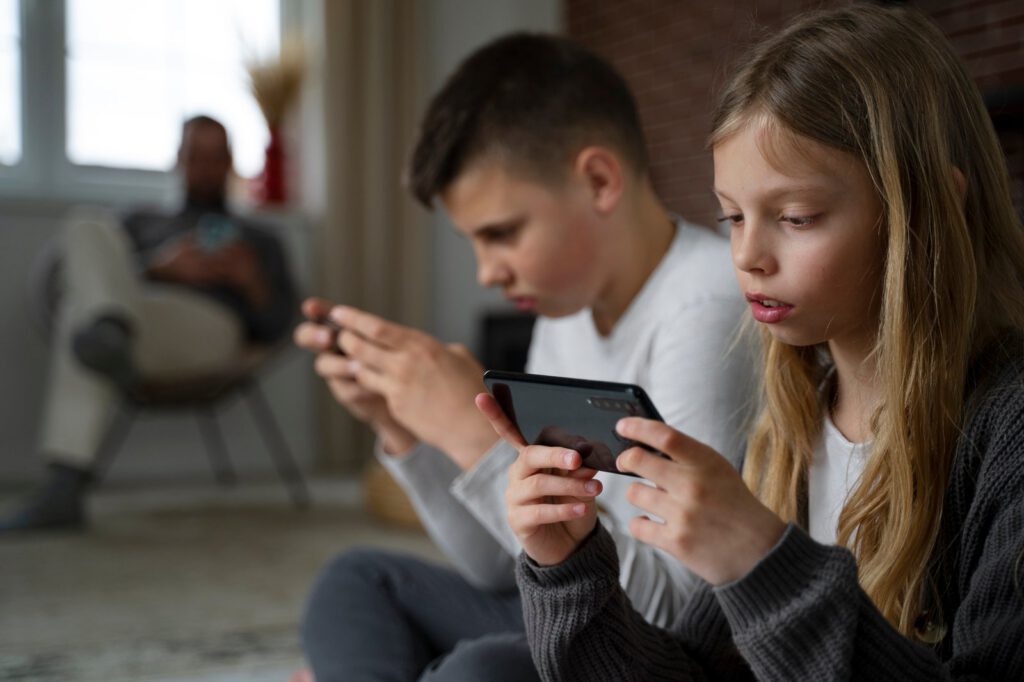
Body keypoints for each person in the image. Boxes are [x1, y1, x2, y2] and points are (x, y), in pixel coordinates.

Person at [481, 4, 1024, 680]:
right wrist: (569, 569)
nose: (747, 255)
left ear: (929, 214)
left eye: (796, 217)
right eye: (731, 217)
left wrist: (763, 564)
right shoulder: (791, 427)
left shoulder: (1007, 433)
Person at [292, 33, 755, 681]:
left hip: (646, 650)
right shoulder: (564, 308)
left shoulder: (706, 311)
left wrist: (476, 438)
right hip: (563, 608)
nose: (486, 272)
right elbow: (494, 567)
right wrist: (402, 428)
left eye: (502, 233)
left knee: (476, 671)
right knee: (355, 582)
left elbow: (678, 614)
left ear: (598, 181)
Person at [0, 115, 297, 533]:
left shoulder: (259, 238)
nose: (207, 167)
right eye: (197, 156)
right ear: (179, 159)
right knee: (85, 227)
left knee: (83, 322)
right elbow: (93, 273)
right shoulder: (141, 223)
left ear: (231, 163)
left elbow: (279, 325)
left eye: (217, 157)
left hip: (208, 330)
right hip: (140, 318)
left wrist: (252, 282)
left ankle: (64, 485)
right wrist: (157, 268)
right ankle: (111, 333)